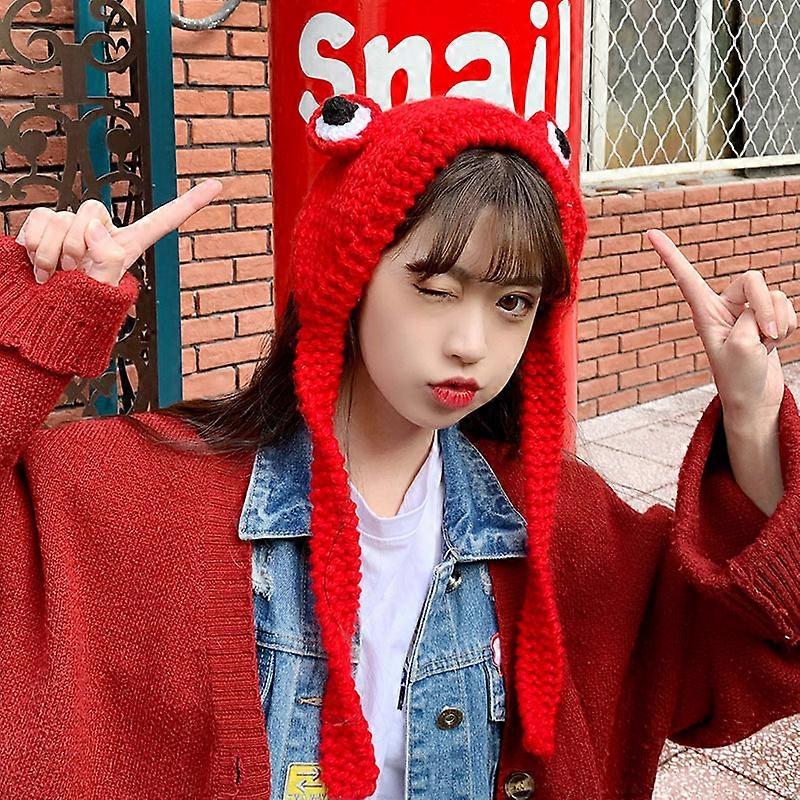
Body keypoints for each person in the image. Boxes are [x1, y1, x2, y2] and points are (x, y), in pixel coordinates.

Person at [1, 93, 798, 800]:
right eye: (436, 288)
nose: (470, 344)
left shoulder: (559, 527)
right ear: (347, 276)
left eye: (512, 303)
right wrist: (37, 326)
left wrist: (752, 416)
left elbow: (743, 652)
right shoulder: (147, 497)